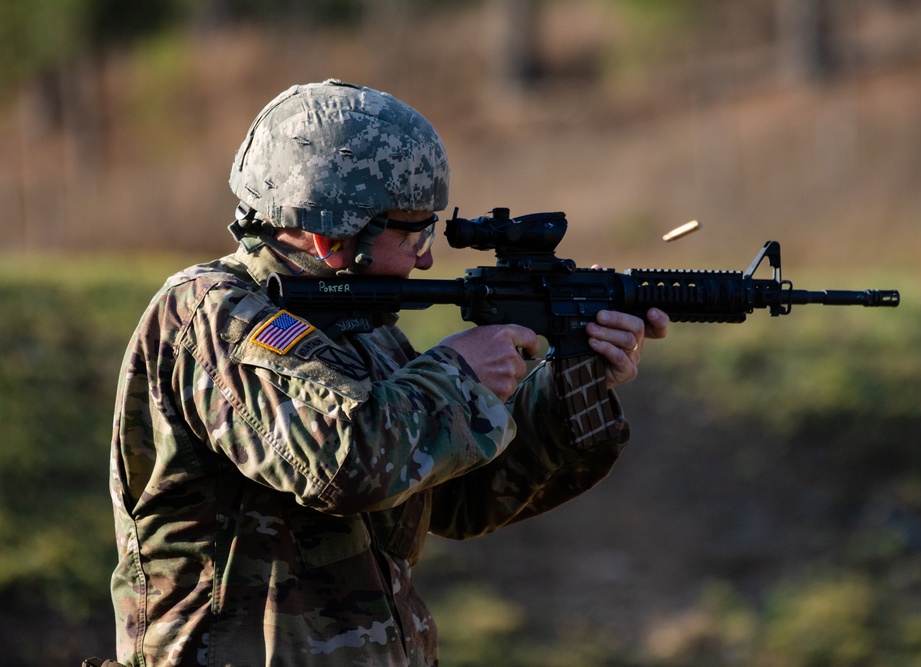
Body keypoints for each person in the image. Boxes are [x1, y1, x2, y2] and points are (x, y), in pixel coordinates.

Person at [109, 79, 669, 666]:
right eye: (413, 230)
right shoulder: (214, 315)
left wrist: (571, 380)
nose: (427, 256)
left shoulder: (365, 331)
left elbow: (458, 499)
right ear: (331, 238)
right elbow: (343, 464)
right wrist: (459, 371)